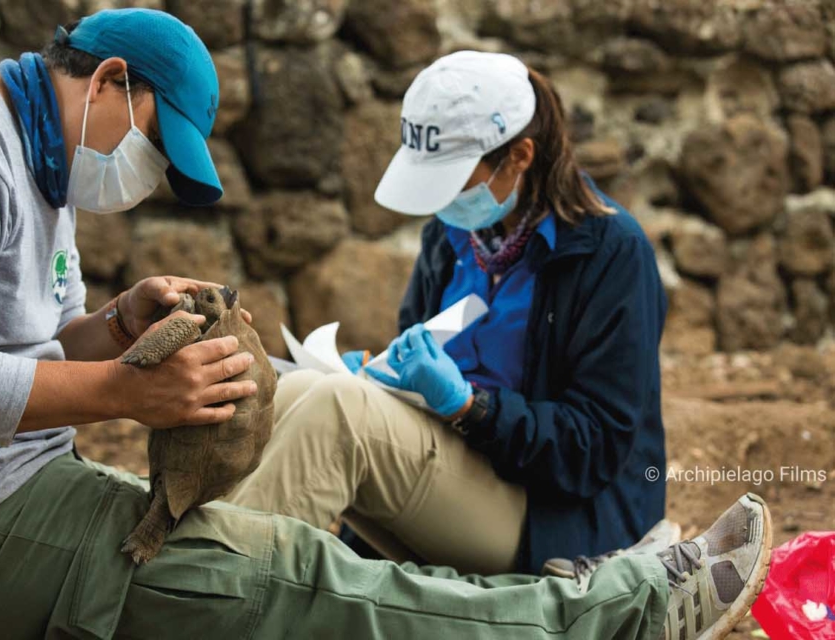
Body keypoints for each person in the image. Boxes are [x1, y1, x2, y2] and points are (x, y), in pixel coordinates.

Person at [0, 10, 768, 639]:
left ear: (518, 158)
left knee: (290, 534)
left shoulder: (28, 153)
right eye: (154, 145)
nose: (144, 176)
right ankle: (634, 616)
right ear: (107, 82)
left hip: (557, 499)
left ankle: (229, 591)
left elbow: (1, 349)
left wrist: (109, 326)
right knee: (299, 578)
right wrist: (125, 388)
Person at [227, 51, 669, 579]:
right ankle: (205, 580)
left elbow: (593, 449)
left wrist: (470, 406)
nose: (443, 202)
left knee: (340, 412)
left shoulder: (611, 253)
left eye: (454, 181)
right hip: (460, 474)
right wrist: (386, 376)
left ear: (520, 157)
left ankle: (219, 596)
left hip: (556, 512)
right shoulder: (453, 235)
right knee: (300, 393)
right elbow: (416, 362)